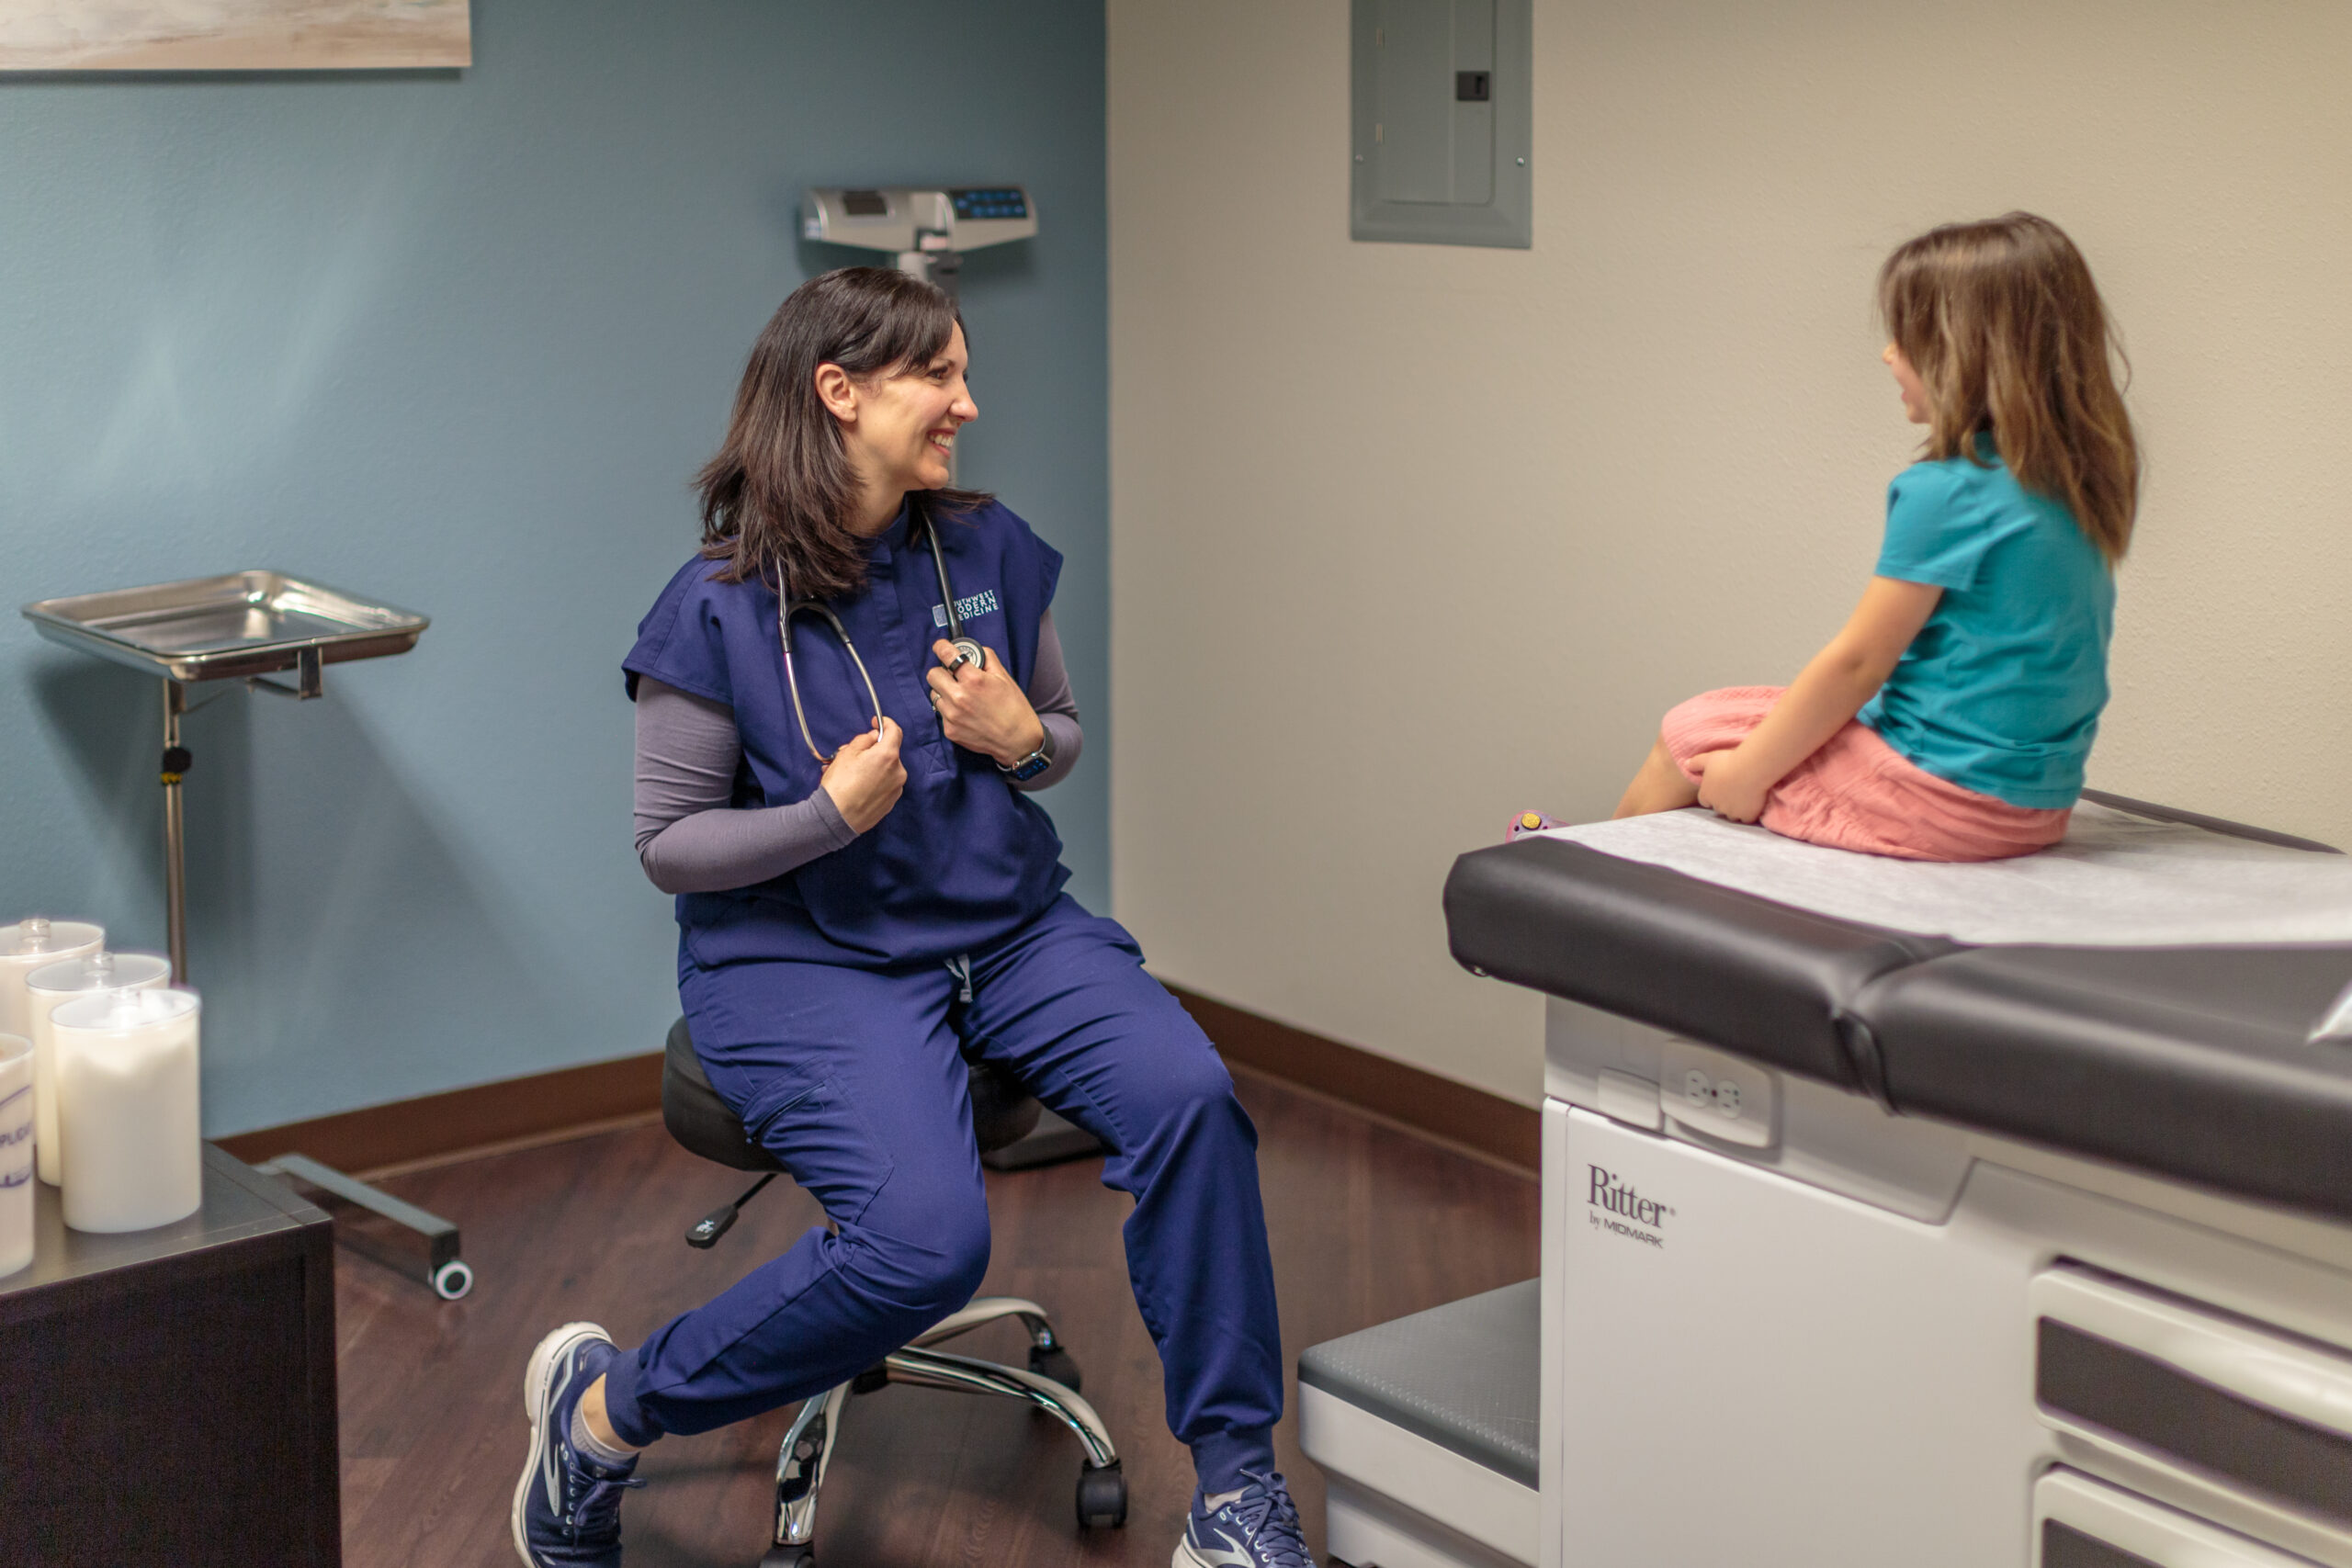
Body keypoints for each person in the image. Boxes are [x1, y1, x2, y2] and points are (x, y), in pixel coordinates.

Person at [514, 267, 1312, 1568]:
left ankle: (1235, 1492)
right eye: (937, 374)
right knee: (925, 1243)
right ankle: (604, 1409)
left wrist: (1022, 739)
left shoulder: (984, 544)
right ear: (839, 391)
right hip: (801, 952)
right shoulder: (715, 604)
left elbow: (1051, 737)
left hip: (1005, 923)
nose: (967, 401)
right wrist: (826, 816)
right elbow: (669, 847)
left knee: (1192, 1097)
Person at [1606, 211, 2139, 861]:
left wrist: (1744, 777)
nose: (1889, 354)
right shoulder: (2077, 481)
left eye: (1904, 338)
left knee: (1692, 731)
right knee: (1740, 715)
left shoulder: (1948, 489)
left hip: (1941, 800)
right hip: (2033, 802)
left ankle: (1569, 874)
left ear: (1961, 352)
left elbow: (1858, 662)